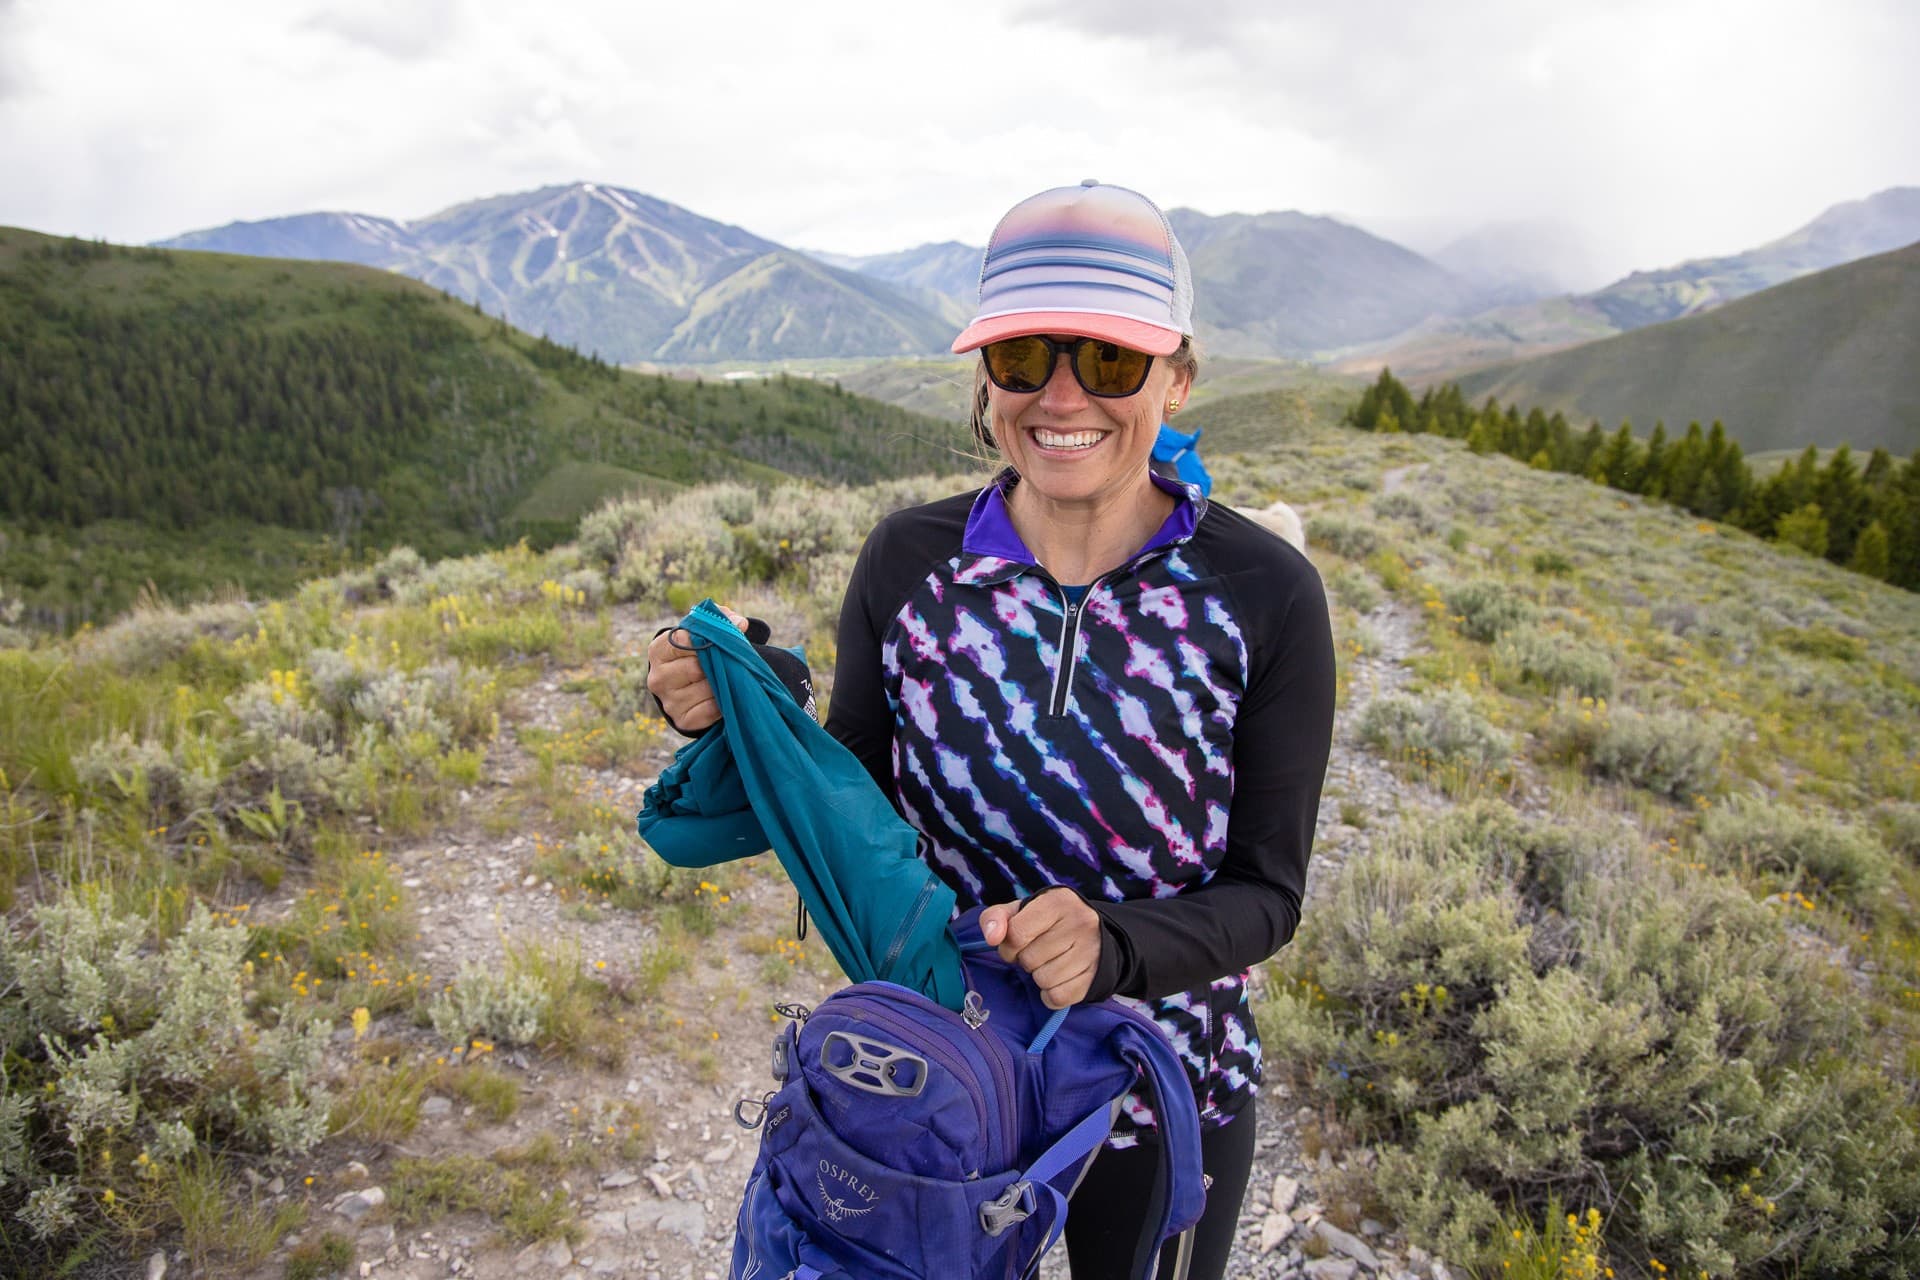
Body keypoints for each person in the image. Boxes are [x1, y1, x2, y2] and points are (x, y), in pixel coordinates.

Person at [648, 180, 1336, 1279]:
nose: (1063, 395)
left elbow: (1269, 891)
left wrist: (1111, 946)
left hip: (1162, 1079)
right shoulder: (911, 562)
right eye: (1024, 357)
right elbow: (857, 789)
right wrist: (746, 694)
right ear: (985, 375)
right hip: (945, 1077)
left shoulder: (1263, 593)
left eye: (1108, 359)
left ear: (1179, 373)